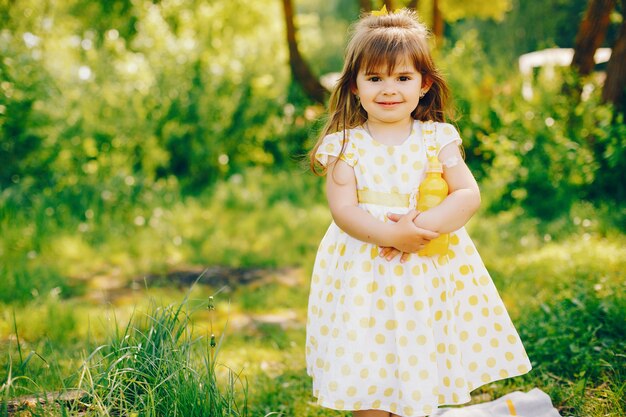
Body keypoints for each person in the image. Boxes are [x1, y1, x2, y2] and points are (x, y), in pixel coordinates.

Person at [306, 8, 531, 417]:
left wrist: (417, 230)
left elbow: (466, 194)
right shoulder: (345, 145)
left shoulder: (437, 138)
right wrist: (392, 236)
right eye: (374, 78)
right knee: (368, 359)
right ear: (354, 86)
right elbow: (343, 210)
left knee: (416, 353)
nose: (388, 89)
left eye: (402, 77)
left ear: (424, 84)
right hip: (365, 269)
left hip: (426, 266)